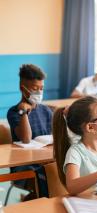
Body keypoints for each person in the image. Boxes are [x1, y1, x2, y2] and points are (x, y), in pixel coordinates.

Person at [7, 64, 52, 199]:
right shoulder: (15, 112)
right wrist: (24, 112)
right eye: (34, 89)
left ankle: (30, 201)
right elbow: (26, 138)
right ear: (23, 88)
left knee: (59, 176)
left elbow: (53, 138)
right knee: (46, 184)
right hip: (25, 165)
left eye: (41, 88)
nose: (39, 92)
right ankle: (28, 201)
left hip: (44, 161)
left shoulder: (46, 111)